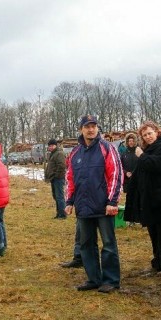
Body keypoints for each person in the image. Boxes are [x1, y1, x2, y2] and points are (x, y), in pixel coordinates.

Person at [65, 114, 123, 293]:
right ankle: (93, 278)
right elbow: (70, 178)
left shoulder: (107, 148)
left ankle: (111, 280)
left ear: (97, 128)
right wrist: (70, 201)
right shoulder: (75, 153)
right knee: (86, 244)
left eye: (94, 126)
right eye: (87, 126)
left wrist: (112, 201)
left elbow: (116, 175)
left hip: (103, 207)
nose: (91, 129)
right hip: (83, 207)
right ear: (81, 129)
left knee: (108, 244)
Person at [124, 121, 161, 275]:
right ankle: (158, 263)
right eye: (144, 135)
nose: (148, 137)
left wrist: (141, 156)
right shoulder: (150, 149)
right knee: (154, 232)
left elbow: (157, 166)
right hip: (152, 199)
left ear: (157, 132)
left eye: (150, 133)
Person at [44, 138, 67, 219]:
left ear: (55, 145)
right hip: (54, 179)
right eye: (49, 146)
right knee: (56, 196)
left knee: (59, 196)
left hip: (58, 179)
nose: (50, 147)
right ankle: (59, 213)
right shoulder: (53, 154)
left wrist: (56, 175)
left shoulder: (59, 153)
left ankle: (63, 214)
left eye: (51, 146)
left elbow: (61, 166)